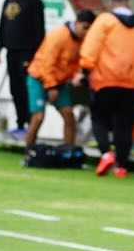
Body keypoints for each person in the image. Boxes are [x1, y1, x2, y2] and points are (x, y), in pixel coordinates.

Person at [78, 0, 134, 178]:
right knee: (124, 124)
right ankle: (121, 167)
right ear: (129, 2)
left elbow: (91, 48)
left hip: (106, 80)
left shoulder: (105, 21)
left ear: (111, 3)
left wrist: (85, 69)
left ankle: (106, 153)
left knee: (98, 118)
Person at [22, 8, 95, 151]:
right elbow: (46, 63)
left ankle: (69, 152)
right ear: (77, 22)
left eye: (89, 30)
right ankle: (29, 150)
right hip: (39, 78)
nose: (86, 33)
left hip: (59, 82)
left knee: (69, 115)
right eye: (85, 28)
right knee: (38, 116)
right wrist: (51, 87)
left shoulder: (83, 41)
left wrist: (76, 75)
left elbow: (76, 62)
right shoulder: (59, 35)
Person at [0, 0, 45, 138]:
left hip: (27, 51)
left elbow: (40, 30)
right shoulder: (8, 1)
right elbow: (3, 26)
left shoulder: (34, 2)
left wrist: (38, 53)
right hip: (11, 51)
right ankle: (19, 122)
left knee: (26, 88)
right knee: (14, 88)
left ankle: (31, 123)